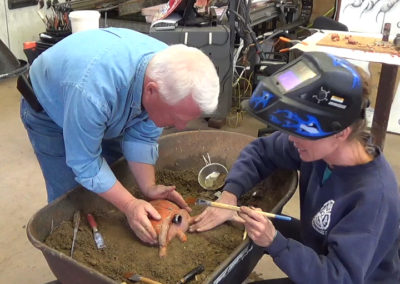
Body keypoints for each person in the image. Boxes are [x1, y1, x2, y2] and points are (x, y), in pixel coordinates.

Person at [190, 52, 400, 283]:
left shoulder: (374, 198)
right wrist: (229, 197)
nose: (291, 139)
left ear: (341, 132)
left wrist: (275, 242)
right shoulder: (320, 146)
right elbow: (261, 150)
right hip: (321, 244)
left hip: (347, 277)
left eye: (300, 132)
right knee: (245, 219)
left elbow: (339, 277)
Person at [20, 27, 220, 245]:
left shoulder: (169, 69)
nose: (181, 127)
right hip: (50, 108)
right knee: (72, 198)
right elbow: (85, 163)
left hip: (103, 103)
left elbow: (142, 136)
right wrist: (129, 205)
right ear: (151, 90)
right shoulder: (93, 92)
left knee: (115, 178)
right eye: (176, 117)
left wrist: (148, 188)